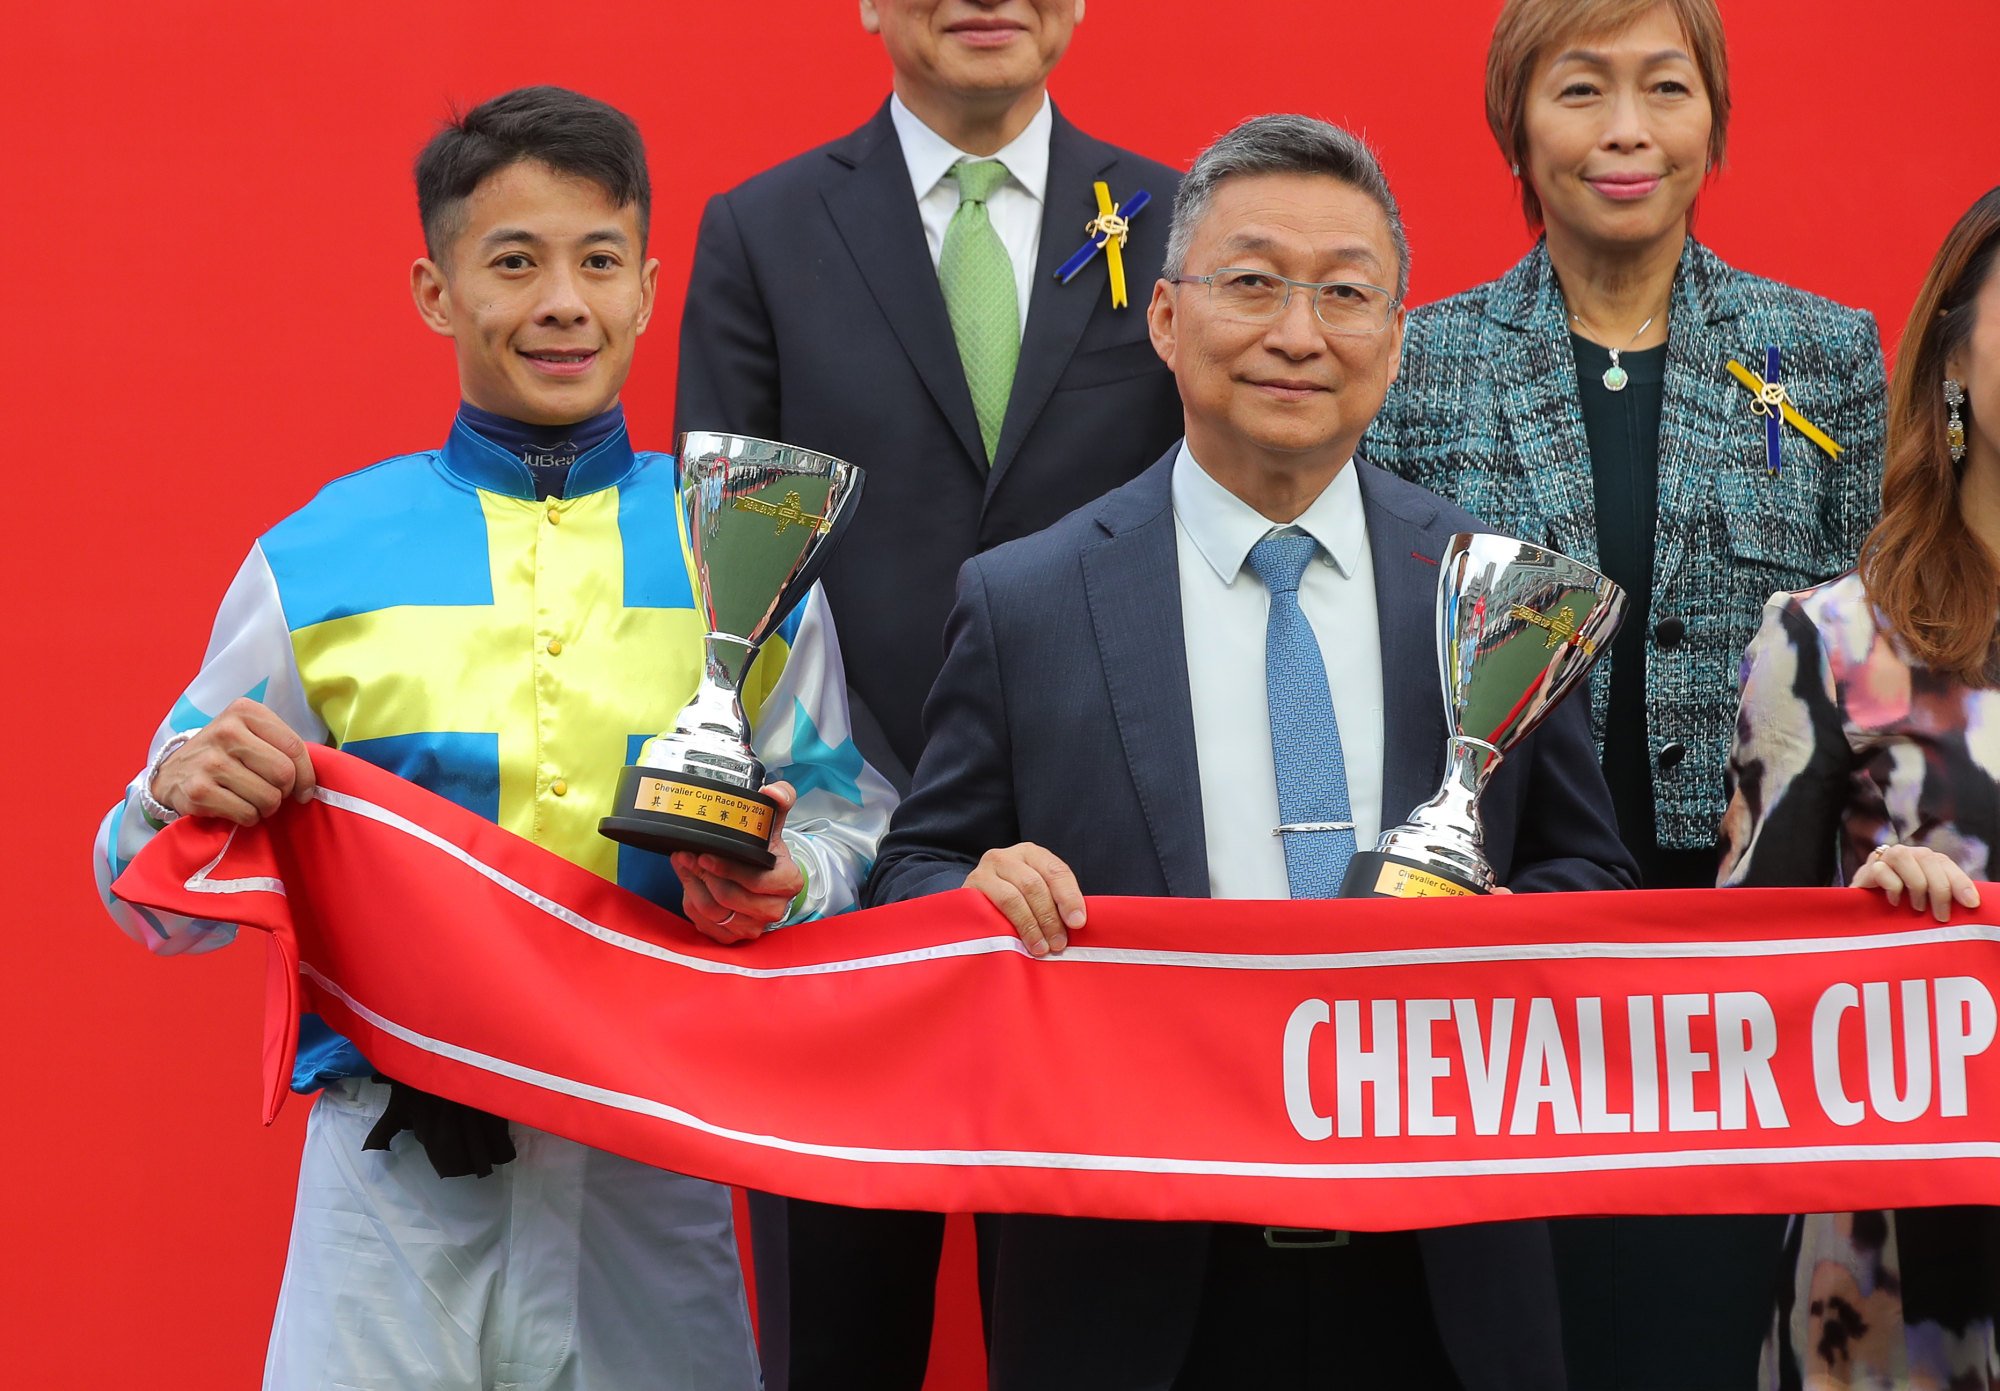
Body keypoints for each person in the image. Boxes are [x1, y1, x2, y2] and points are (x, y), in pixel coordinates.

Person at [88, 86, 895, 1390]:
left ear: (647, 286)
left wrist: (790, 877)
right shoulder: (318, 554)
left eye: (597, 260)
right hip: (387, 1185)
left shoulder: (742, 540)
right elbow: (143, 896)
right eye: (513, 262)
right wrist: (174, 795)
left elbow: (845, 815)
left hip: (655, 1165)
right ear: (434, 289)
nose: (561, 302)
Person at [867, 113, 1637, 1391]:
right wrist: (967, 889)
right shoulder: (1027, 599)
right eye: (1252, 282)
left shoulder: (1492, 586)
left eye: (1344, 294)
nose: (1296, 333)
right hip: (1136, 1279)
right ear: (1165, 319)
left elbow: (1591, 880)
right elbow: (914, 872)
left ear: (1394, 342)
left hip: (1437, 1274)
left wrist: (1490, 927)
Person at [1361, 1, 1888, 1380]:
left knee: (1706, 1329)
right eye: (1581, 91)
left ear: (1713, 120)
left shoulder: (1820, 353)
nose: (1627, 131)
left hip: (1744, 978)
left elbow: (1872, 643)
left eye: (1667, 89)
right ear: (1517, 129)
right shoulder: (1418, 359)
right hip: (1503, 960)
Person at [675, 3, 1184, 1383]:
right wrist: (816, 826)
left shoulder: (1177, 216)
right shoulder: (765, 229)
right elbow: (732, 568)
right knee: (834, 1331)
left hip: (1101, 875)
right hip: (834, 864)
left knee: (1101, 1334)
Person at [1721, 186, 2000, 1391]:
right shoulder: (1821, 642)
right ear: (1950, 354)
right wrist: (1863, 925)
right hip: (1897, 1287)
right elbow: (1727, 998)